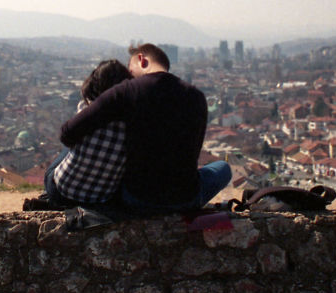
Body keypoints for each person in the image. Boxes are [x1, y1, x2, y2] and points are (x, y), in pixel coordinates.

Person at [60, 43, 231, 214]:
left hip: (137, 199)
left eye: (130, 68)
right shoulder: (197, 96)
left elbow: (68, 132)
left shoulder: (127, 91)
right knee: (223, 168)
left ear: (141, 60)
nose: (130, 75)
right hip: (186, 199)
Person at [43, 59, 132, 206]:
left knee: (69, 147)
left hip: (61, 193)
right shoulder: (131, 122)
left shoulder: (85, 110)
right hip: (101, 200)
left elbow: (67, 137)